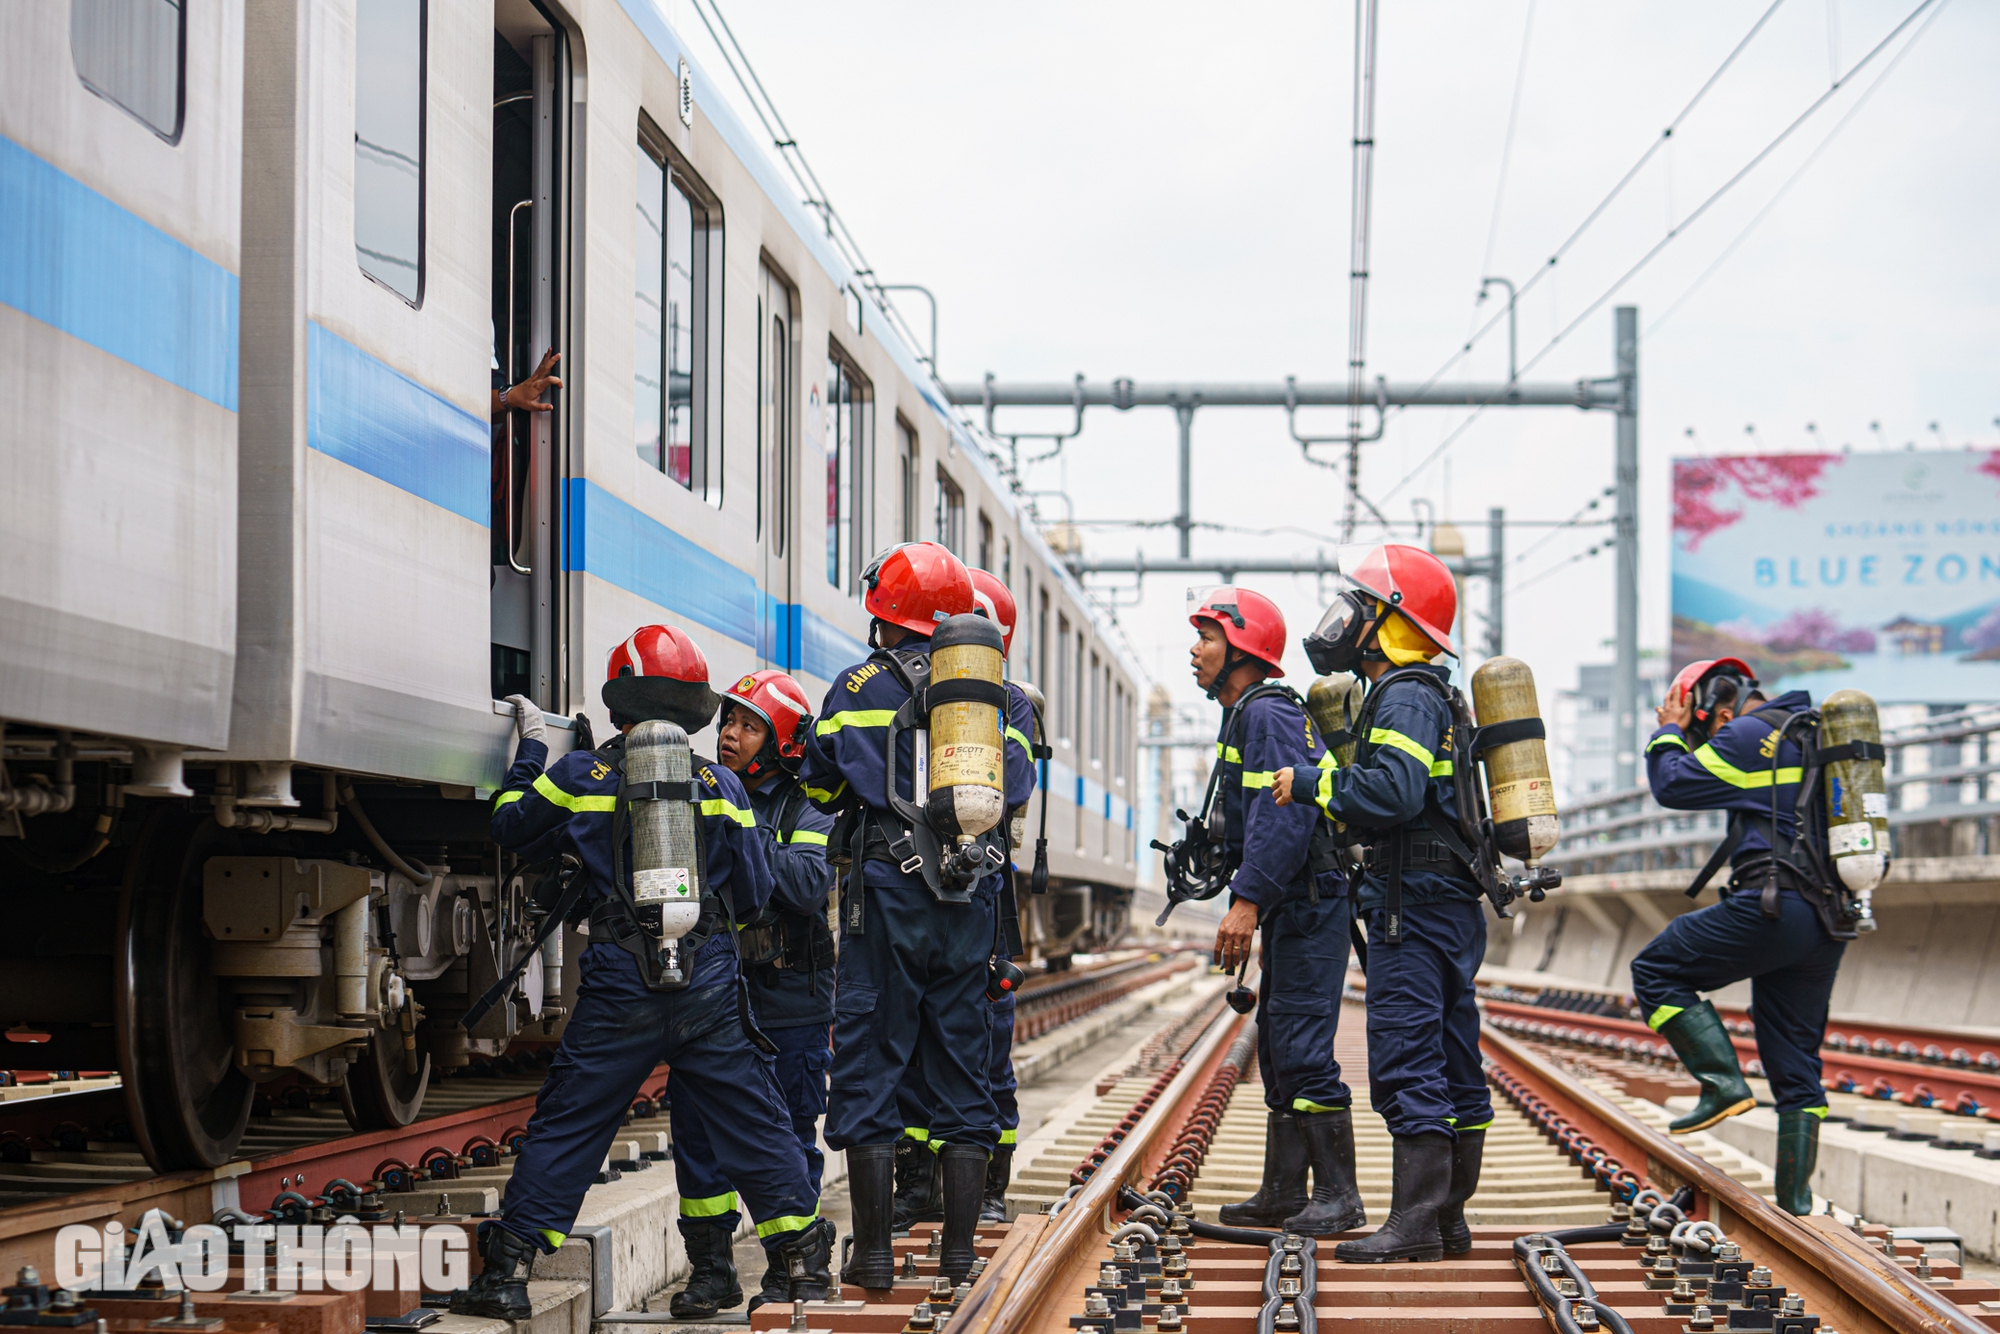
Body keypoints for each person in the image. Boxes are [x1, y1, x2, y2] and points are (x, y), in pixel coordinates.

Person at [451, 626, 830, 1320]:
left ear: (621, 699)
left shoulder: (582, 776)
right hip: (709, 984)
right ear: (694, 708)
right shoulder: (721, 785)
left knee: (571, 1122)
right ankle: (800, 1263)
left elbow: (509, 825)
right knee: (755, 1122)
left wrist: (532, 751)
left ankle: (507, 1273)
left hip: (619, 985)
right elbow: (752, 895)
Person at [799, 542, 1037, 1288]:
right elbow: (1018, 783)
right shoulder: (1001, 695)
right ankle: (960, 1254)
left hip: (887, 898)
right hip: (972, 900)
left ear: (884, 615)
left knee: (872, 1060)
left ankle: (874, 1255)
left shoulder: (856, 686)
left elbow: (821, 786)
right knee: (963, 1064)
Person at [1270, 544, 1491, 1263]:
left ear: (1391, 619)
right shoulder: (1433, 694)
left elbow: (1395, 792)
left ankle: (1415, 1223)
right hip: (1444, 899)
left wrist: (1313, 784)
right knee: (1454, 1055)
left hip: (1414, 905)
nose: (1344, 621)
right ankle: (1447, 1221)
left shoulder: (1403, 694)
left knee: (1407, 1053)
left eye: (1360, 606)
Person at [1628, 657, 1844, 1215]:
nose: (1706, 747)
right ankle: (1795, 1203)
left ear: (1720, 714)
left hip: (1774, 905)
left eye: (1703, 735)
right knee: (1795, 1057)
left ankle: (1722, 1083)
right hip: (1828, 919)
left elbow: (1672, 783)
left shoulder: (1748, 734)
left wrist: (1668, 732)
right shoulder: (1814, 733)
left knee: (1655, 969)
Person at [1187, 586, 1360, 1237]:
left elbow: (1282, 817)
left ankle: (1340, 1196)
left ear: (1242, 651)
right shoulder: (1247, 716)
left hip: (1310, 901)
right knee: (1282, 1045)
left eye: (1207, 638)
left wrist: (1247, 901)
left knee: (1303, 1046)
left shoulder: (1269, 715)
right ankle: (1284, 1191)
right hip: (1296, 906)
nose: (1194, 650)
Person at [666, 669, 836, 1316]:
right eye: (727, 722)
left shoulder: (805, 808)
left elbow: (805, 886)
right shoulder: (700, 792)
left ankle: (790, 1268)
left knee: (786, 1134)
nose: (729, 735)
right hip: (709, 996)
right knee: (698, 1132)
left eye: (748, 726)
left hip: (787, 1000)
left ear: (782, 740)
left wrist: (739, 826)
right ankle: (712, 1272)